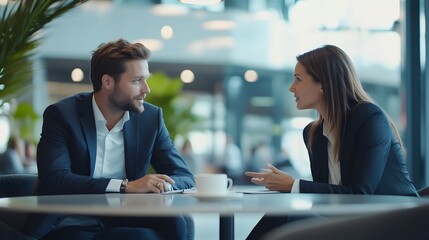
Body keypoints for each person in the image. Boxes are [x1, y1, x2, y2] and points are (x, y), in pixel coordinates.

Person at [24, 39, 195, 240]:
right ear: (108, 82)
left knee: (161, 229)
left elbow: (184, 176)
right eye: (137, 81)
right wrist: (124, 186)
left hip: (125, 219)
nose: (146, 89)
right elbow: (54, 178)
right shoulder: (62, 115)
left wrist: (159, 185)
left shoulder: (150, 118)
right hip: (69, 221)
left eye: (145, 79)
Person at [244, 45, 418, 239]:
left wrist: (293, 185)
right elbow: (325, 200)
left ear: (323, 83)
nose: (291, 87)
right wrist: (288, 186)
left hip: (396, 224)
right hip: (351, 222)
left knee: (285, 218)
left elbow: (361, 195)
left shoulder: (369, 118)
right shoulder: (313, 133)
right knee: (281, 216)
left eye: (298, 79)